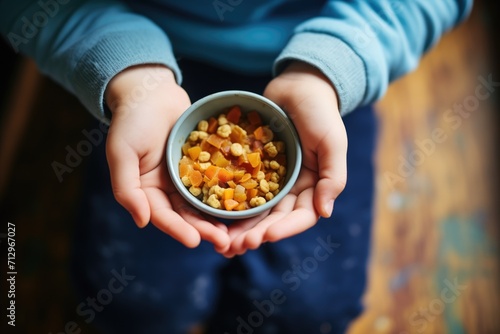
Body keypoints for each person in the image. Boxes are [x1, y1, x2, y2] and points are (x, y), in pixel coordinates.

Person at [0, 1, 473, 333]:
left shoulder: (327, 73)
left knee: (311, 313)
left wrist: (333, 68)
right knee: (131, 305)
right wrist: (127, 73)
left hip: (331, 62)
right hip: (143, 58)